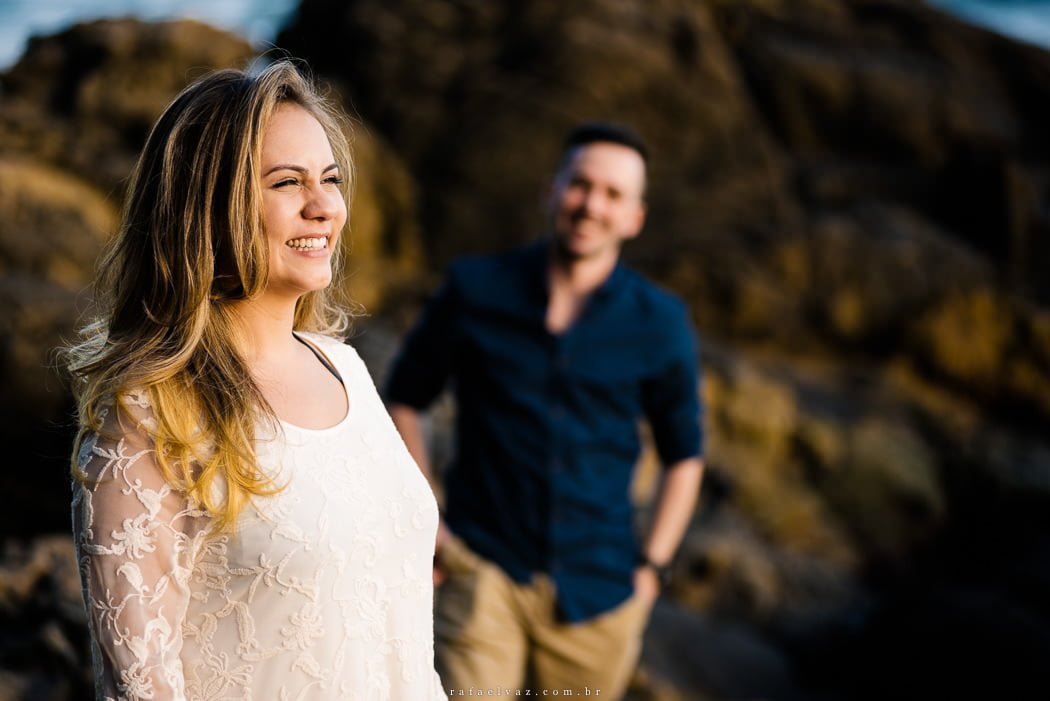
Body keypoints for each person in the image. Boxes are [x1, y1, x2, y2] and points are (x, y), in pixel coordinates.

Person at [64, 60, 446, 700]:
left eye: (329, 179)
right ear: (208, 206)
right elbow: (142, 689)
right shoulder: (151, 412)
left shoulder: (345, 367)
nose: (324, 205)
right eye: (286, 182)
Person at [384, 122, 705, 699]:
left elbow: (684, 455)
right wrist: (427, 520)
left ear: (635, 217)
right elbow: (406, 399)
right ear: (551, 190)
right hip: (480, 571)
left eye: (613, 195)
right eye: (580, 185)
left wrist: (652, 571)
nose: (591, 205)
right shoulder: (475, 288)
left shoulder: (660, 322)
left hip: (601, 596)